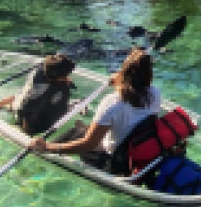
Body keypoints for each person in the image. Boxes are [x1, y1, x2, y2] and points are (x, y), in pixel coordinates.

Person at [29, 48, 161, 164]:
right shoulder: (155, 93)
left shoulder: (112, 102)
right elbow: (133, 99)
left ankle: (42, 150)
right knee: (89, 130)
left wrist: (48, 147)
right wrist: (121, 82)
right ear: (149, 75)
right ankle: (88, 129)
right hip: (136, 155)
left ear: (123, 72)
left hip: (113, 163)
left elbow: (88, 144)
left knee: (75, 133)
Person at [0, 54, 75, 135]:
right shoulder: (39, 91)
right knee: (25, 125)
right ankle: (13, 121)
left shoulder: (44, 68)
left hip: (23, 98)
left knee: (22, 96)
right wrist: (26, 130)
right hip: (24, 111)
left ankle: (0, 106)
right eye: (66, 75)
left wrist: (64, 78)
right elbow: (25, 109)